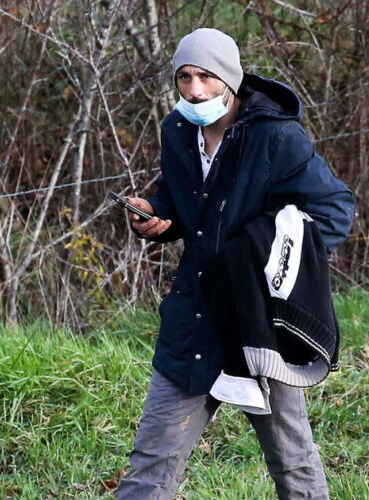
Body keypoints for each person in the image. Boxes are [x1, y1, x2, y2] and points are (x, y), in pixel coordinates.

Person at [115, 28, 354, 500]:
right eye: (184, 77)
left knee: (293, 463)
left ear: (229, 77)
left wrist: (263, 260)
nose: (195, 89)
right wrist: (158, 212)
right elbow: (186, 201)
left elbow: (333, 211)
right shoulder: (178, 130)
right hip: (193, 317)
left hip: (259, 324)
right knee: (150, 464)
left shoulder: (275, 136)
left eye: (205, 76)